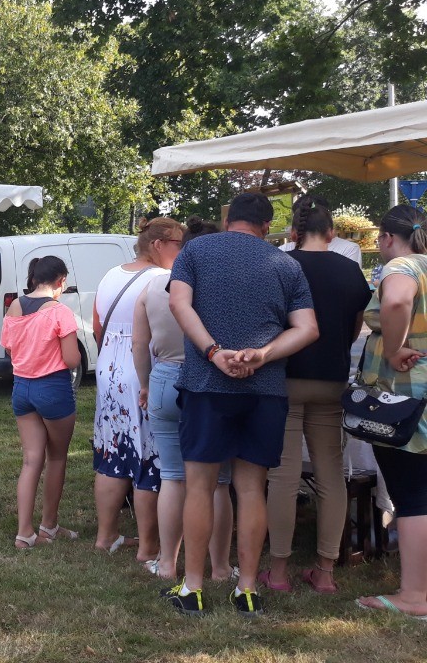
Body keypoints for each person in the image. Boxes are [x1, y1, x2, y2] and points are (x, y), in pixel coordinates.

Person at [166, 192, 318, 616]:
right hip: (264, 387)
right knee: (252, 488)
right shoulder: (287, 264)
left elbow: (178, 303)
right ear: (268, 226)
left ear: (228, 218)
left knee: (199, 485)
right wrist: (264, 354)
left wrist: (214, 353)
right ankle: (247, 589)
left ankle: (192, 587)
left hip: (205, 383)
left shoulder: (194, 249)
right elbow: (307, 328)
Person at [262, 195, 371, 594]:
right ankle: (325, 571)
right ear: (332, 233)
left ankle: (277, 573)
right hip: (331, 379)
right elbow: (356, 327)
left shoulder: (280, 266)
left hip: (284, 378)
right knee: (330, 476)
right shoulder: (350, 271)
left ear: (294, 232)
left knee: (284, 477)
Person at [132, 217, 235, 581]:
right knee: (218, 481)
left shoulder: (156, 286)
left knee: (172, 477)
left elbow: (138, 344)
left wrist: (144, 384)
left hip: (163, 379)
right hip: (210, 381)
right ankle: (220, 567)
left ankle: (166, 564)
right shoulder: (225, 286)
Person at [92, 217, 184, 561]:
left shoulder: (110, 274)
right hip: (142, 367)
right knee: (148, 457)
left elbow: (97, 325)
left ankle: (106, 536)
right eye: (178, 243)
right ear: (158, 244)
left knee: (112, 452)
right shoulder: (161, 279)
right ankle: (148, 548)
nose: (182, 250)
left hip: (108, 368)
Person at [354, 204, 427, 618]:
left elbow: (397, 301)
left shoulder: (402, 265)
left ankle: (415, 596)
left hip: (407, 399)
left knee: (413, 494)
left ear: (384, 238)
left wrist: (396, 346)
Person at [0, 255, 81, 548]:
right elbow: (72, 359)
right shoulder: (60, 312)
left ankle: (25, 533)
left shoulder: (15, 306)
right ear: (60, 281)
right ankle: (48, 526)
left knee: (31, 460)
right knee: (57, 457)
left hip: (22, 389)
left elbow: (9, 349)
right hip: (53, 389)